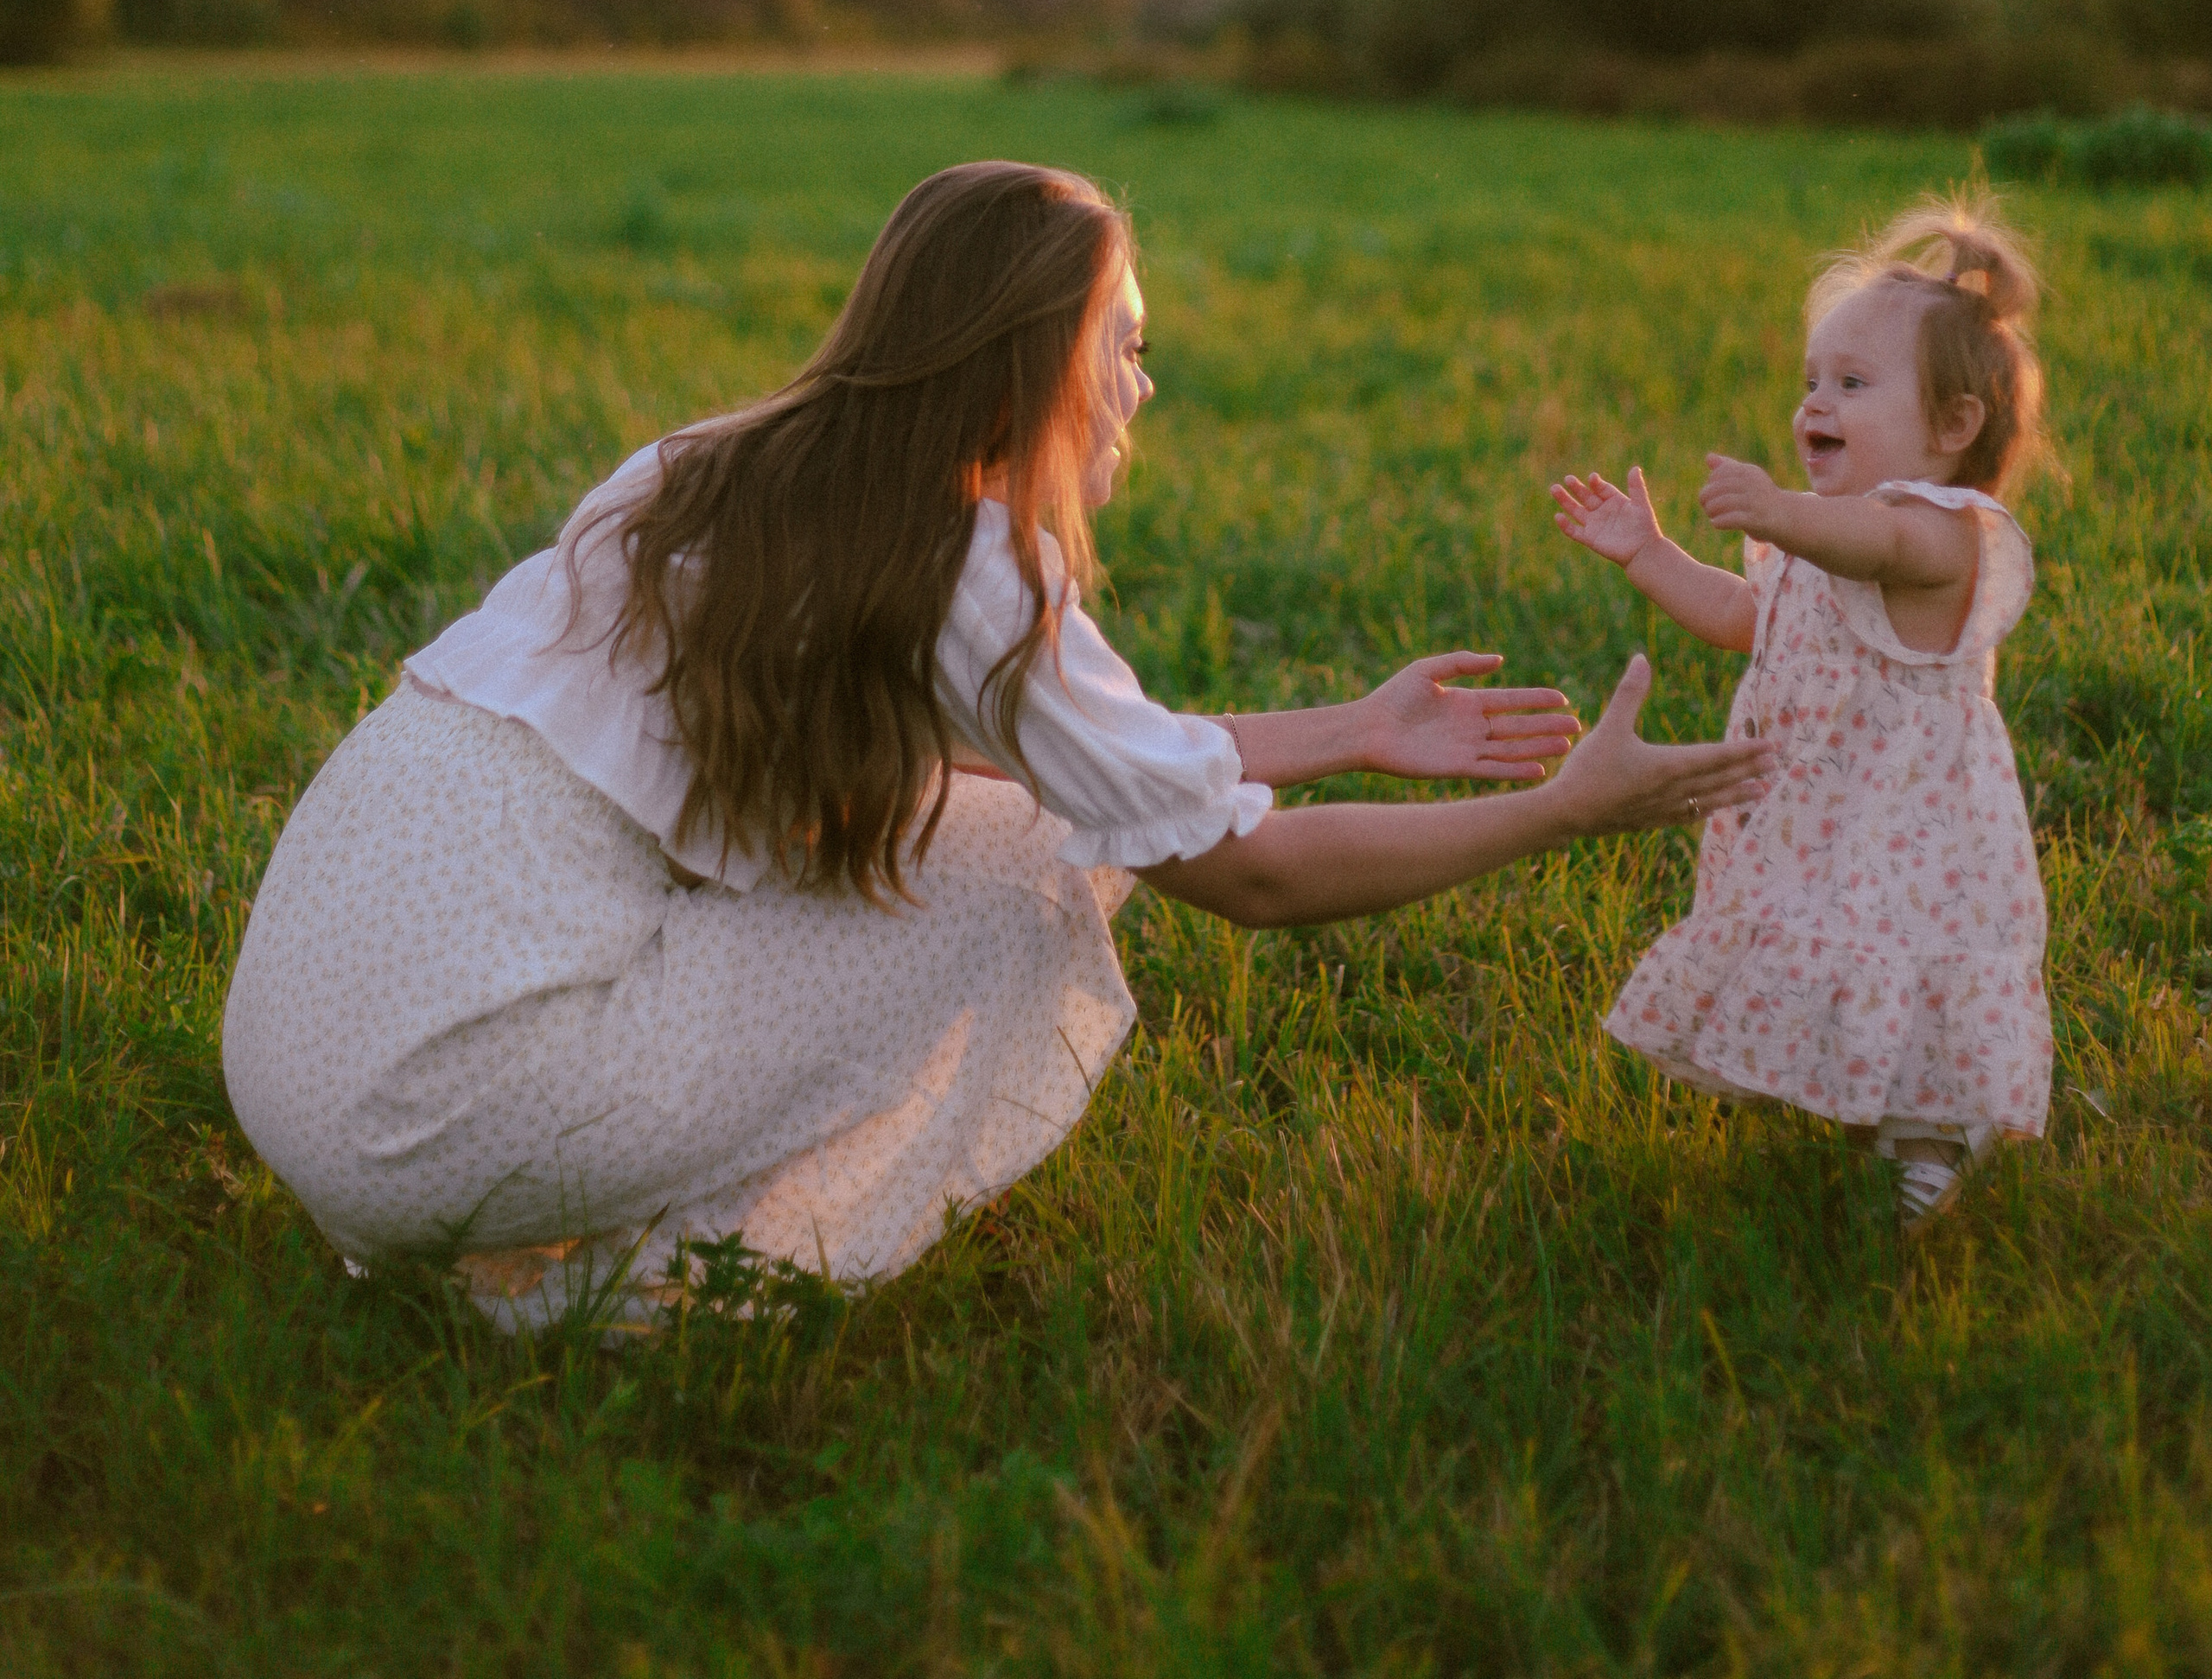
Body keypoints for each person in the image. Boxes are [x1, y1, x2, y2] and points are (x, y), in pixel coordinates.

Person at [224, 161, 1771, 1326]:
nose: (1141, 388)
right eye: (1127, 344)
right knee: (1032, 878)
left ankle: (493, 1233)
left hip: (309, 1075)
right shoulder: (970, 564)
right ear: (1035, 356)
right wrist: (1567, 813)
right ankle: (597, 1297)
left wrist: (1357, 728)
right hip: (444, 1108)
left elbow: (1051, 758)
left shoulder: (698, 468)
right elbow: (1247, 877)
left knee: (997, 823)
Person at [1551, 198, 2054, 1233]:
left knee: (1904, 959)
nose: (1814, 403)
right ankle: (1865, 1108)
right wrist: (1649, 554)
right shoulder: (1820, 541)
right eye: (1810, 382)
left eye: (1852, 385)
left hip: (1917, 824)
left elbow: (1878, 552)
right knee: (1832, 943)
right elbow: (1749, 618)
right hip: (1825, 809)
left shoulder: (1945, 534)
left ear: (1952, 427)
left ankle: (1931, 1138)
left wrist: (1782, 511)